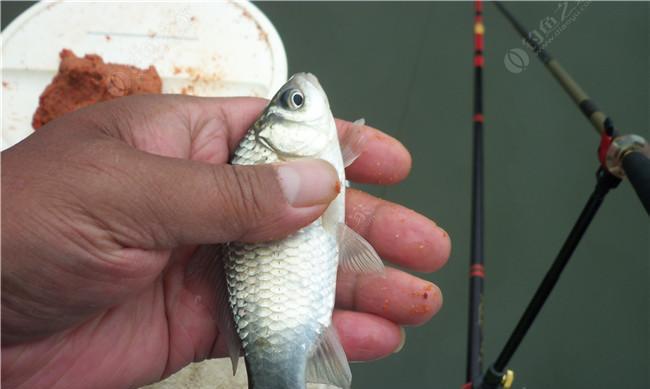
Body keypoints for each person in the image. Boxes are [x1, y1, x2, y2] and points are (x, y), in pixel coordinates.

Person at [1, 95, 450, 388]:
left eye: (294, 101)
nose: (305, 93)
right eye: (296, 102)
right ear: (275, 145)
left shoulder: (302, 156)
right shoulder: (278, 163)